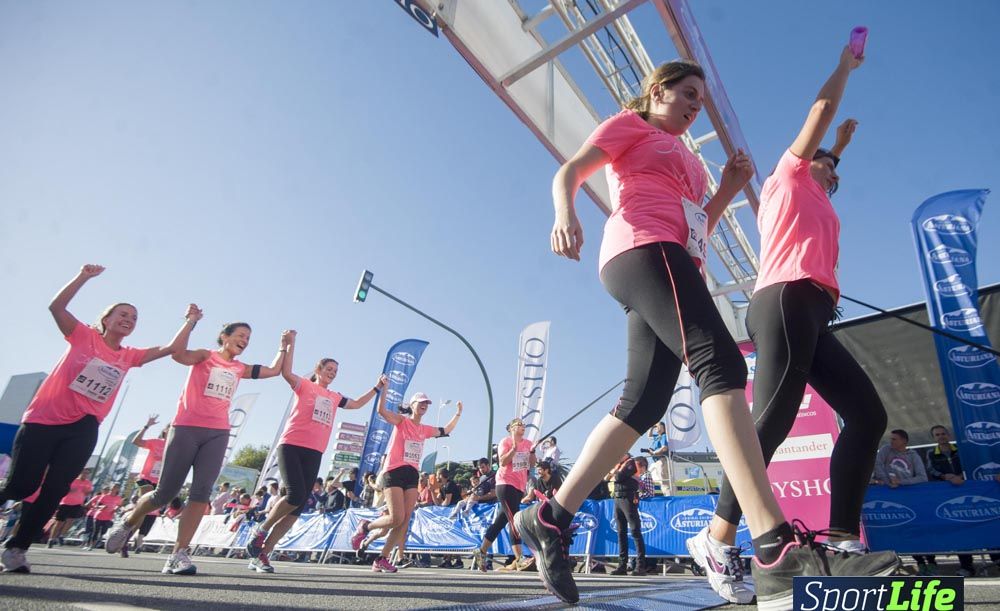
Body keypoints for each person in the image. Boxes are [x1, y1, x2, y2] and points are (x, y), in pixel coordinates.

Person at [516, 57, 897, 608]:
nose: (696, 106)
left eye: (700, 99)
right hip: (643, 246)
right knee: (720, 363)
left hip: (673, 258)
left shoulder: (690, 163)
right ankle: (773, 548)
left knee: (643, 402)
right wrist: (564, 213)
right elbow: (571, 170)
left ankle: (550, 517)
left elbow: (699, 226)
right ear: (657, 90)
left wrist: (727, 186)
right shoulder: (633, 125)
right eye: (688, 94)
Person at [700, 45, 893, 604]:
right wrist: (846, 67)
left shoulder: (816, 189)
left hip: (813, 308)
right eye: (825, 165)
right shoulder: (787, 176)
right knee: (772, 420)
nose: (831, 173)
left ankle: (841, 543)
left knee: (868, 415)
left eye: (835, 173)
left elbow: (826, 159)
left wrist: (839, 152)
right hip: (784, 298)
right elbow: (820, 115)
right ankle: (716, 538)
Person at [0, 264, 201, 573]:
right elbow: (56, 307)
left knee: (55, 489)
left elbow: (173, 348)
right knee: (21, 486)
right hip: (43, 420)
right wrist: (83, 277)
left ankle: (17, 549)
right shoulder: (82, 336)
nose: (129, 319)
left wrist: (190, 321)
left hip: (84, 426)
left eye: (134, 317)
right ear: (106, 319)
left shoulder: (129, 355)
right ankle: (16, 531)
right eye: (123, 314)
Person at [104, 322, 292, 576]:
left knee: (201, 493)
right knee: (164, 494)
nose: (245, 340)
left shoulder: (239, 368)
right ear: (224, 337)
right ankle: (128, 521)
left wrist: (283, 346)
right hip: (186, 428)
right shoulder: (205, 356)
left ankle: (178, 554)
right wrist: (190, 323)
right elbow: (178, 354)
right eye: (240, 335)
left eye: (248, 338)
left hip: (218, 432)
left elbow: (273, 370)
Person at [244, 332, 385, 573]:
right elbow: (286, 372)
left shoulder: (334, 396)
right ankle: (262, 529)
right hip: (291, 445)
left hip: (315, 451)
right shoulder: (304, 385)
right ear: (318, 369)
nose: (332, 373)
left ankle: (262, 555)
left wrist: (377, 388)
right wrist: (289, 345)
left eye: (335, 371)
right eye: (329, 369)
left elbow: (357, 404)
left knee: (297, 507)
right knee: (295, 494)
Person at [350, 392, 461, 574]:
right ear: (412, 404)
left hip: (412, 474)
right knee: (396, 518)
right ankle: (365, 526)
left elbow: (446, 430)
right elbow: (381, 411)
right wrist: (383, 389)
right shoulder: (402, 421)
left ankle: (381, 559)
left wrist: (458, 413)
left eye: (427, 403)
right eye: (421, 402)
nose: (424, 405)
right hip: (394, 471)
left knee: (404, 521)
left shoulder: (424, 429)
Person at [473, 418, 535, 573]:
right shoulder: (505, 442)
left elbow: (532, 464)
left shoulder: (528, 443)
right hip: (505, 484)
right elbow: (502, 461)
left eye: (523, 425)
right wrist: (513, 449)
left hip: (519, 486)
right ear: (511, 429)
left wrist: (533, 451)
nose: (522, 427)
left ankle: (481, 551)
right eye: (518, 425)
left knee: (501, 521)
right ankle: (519, 558)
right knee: (514, 519)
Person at [129, 414, 169, 555]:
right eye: (170, 428)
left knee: (148, 511)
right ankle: (126, 535)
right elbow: (136, 441)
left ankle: (132, 535)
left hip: (160, 482)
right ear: (165, 430)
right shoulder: (156, 442)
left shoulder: (176, 447)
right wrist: (147, 426)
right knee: (144, 506)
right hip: (145, 479)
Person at [607, 454, 646, 576]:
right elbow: (606, 479)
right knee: (621, 532)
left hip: (628, 499)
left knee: (635, 531)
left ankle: (640, 566)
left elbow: (618, 477)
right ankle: (622, 566)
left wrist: (614, 473)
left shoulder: (630, 463)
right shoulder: (619, 465)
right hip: (618, 499)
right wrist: (614, 472)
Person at [46, 469, 92, 548]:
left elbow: (88, 493)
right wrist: (70, 490)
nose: (85, 475)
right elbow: (64, 488)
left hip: (77, 504)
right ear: (80, 473)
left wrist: (86, 491)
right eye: (84, 473)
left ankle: (61, 536)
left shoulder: (88, 483)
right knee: (59, 522)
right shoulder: (73, 480)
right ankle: (51, 539)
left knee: (70, 521)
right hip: (65, 503)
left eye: (87, 473)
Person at [83, 483, 122, 550]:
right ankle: (91, 545)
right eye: (113, 487)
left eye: (116, 487)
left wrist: (115, 509)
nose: (114, 488)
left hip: (108, 517)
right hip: (99, 516)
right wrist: (102, 507)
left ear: (118, 489)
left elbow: (118, 506)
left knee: (103, 532)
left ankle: (96, 543)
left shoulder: (118, 498)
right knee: (95, 531)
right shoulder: (104, 496)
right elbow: (97, 505)